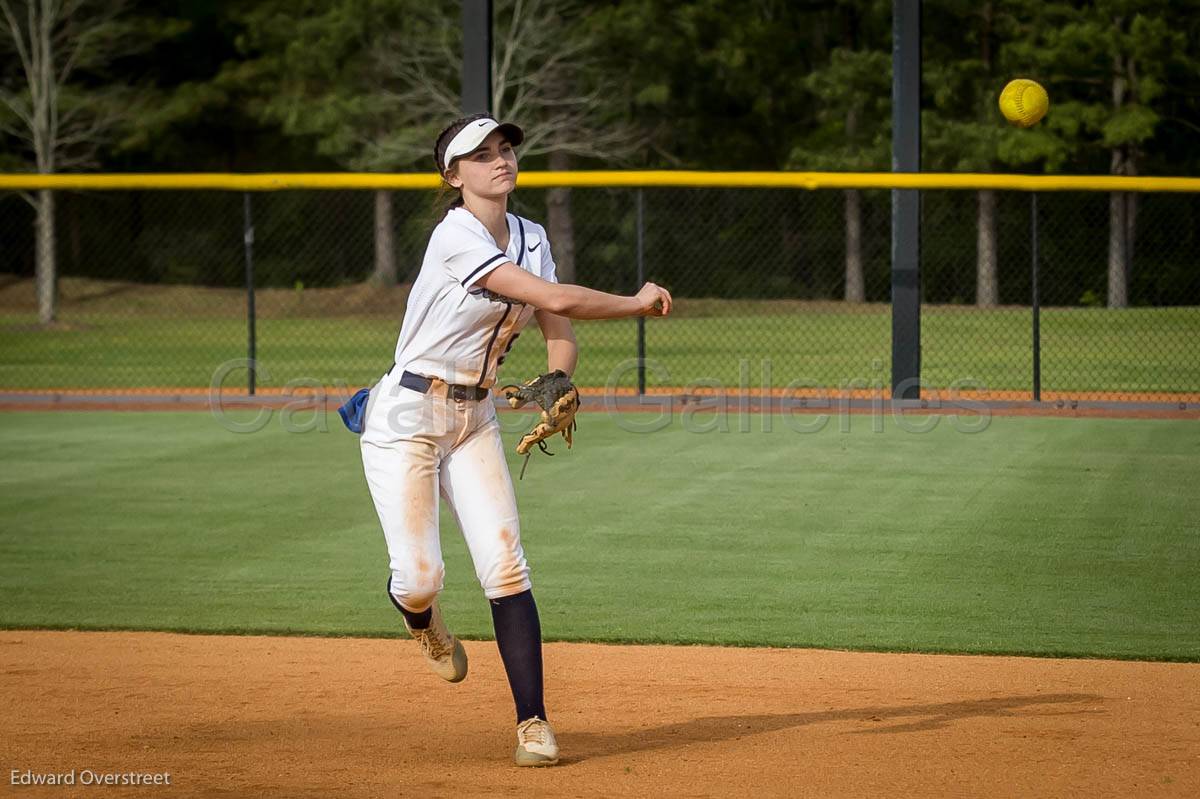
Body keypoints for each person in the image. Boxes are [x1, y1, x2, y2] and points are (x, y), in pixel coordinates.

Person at [354, 114, 672, 767]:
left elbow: (557, 321)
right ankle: (422, 621)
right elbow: (555, 295)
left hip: (475, 418)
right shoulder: (454, 235)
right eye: (481, 153)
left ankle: (533, 722)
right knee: (420, 578)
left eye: (504, 148)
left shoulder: (530, 235)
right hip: (407, 417)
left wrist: (560, 378)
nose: (500, 159)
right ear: (453, 175)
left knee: (506, 567)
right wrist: (635, 303)